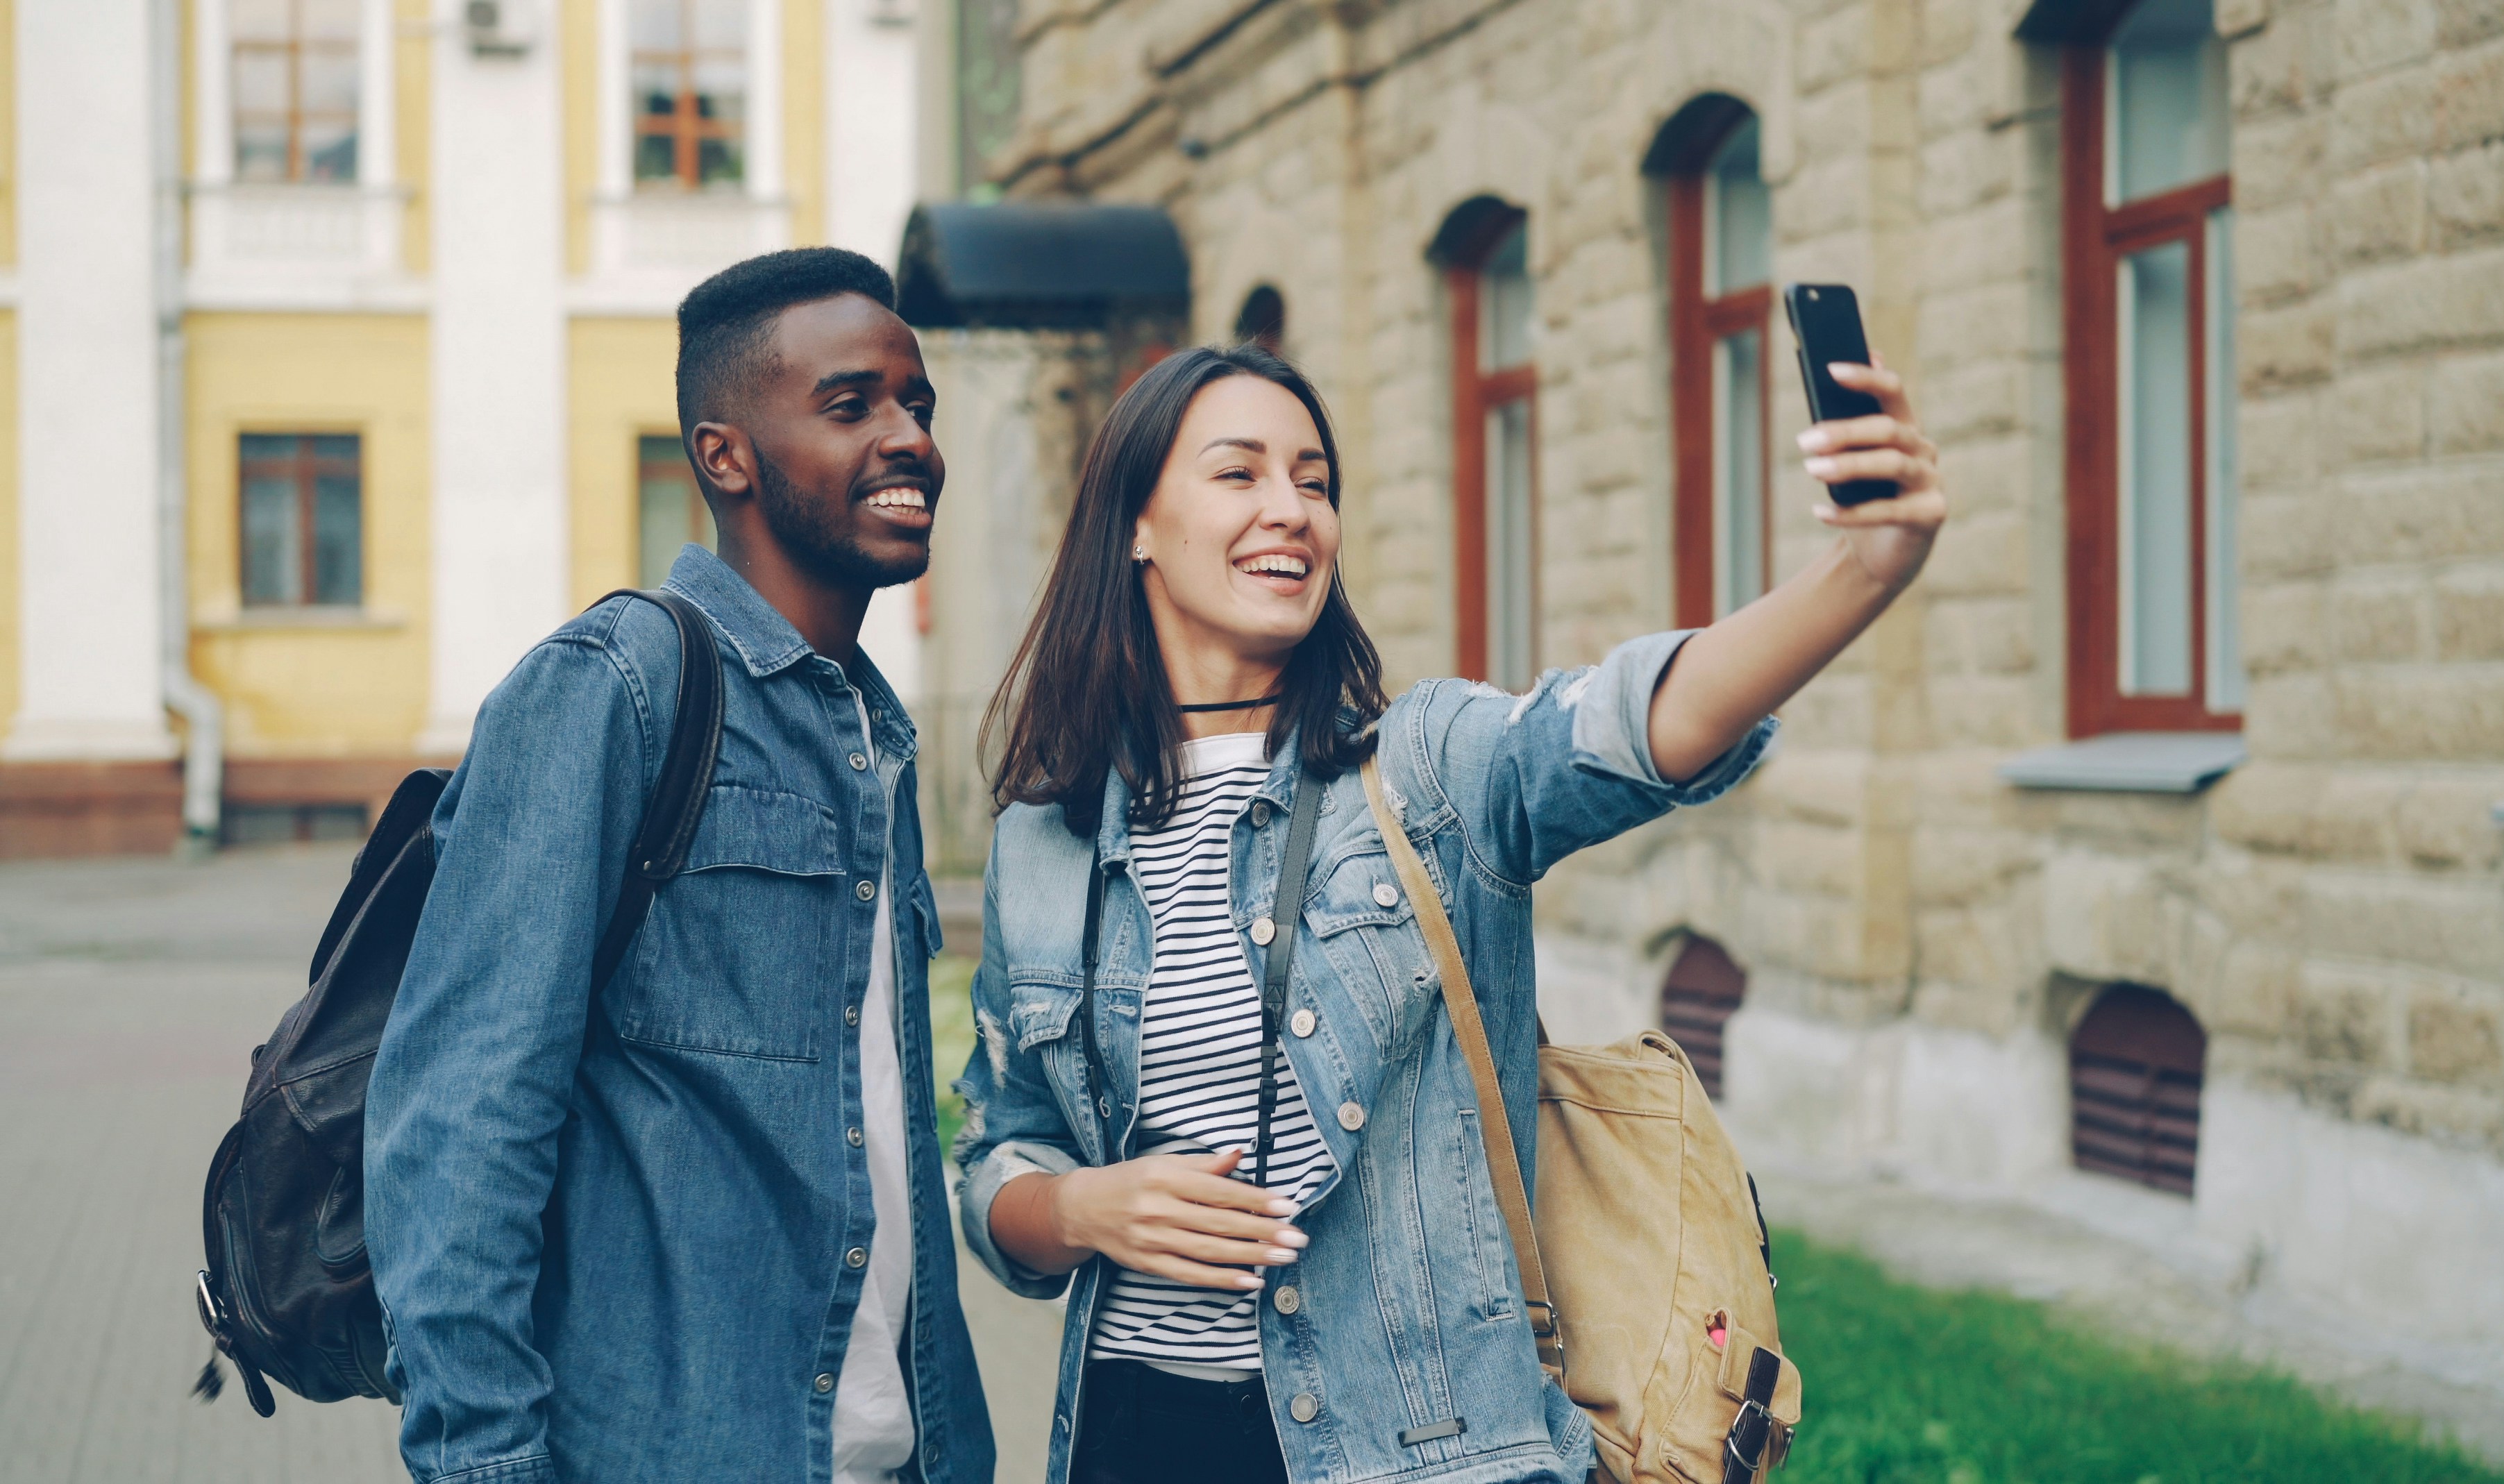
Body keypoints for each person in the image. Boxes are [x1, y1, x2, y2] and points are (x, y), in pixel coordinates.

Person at [952, 342, 1944, 1484]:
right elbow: (998, 1152)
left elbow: (1629, 725)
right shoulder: (1048, 838)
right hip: (1135, 1433)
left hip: (1419, 1452)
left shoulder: (1426, 770)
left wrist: (1862, 571)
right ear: (1134, 523)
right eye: (1241, 474)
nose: (1292, 510)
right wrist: (1081, 1207)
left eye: (1315, 480)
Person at [365, 246, 991, 1484]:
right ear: (725, 455)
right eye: (851, 403)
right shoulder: (614, 691)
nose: (909, 436)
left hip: (896, 1449)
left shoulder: (876, 737)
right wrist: (484, 1461)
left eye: (917, 403)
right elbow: (458, 1121)